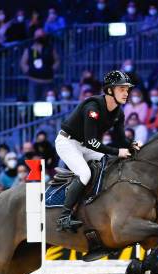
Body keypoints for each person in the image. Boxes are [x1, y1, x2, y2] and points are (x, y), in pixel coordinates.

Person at [54, 70, 141, 232]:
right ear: (109, 90)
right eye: (122, 89)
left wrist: (131, 145)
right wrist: (118, 151)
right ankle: (64, 216)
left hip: (84, 144)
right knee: (85, 174)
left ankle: (93, 202)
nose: (126, 93)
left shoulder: (118, 113)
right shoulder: (92, 108)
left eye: (127, 89)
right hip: (67, 142)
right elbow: (91, 142)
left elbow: (121, 139)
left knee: (108, 163)